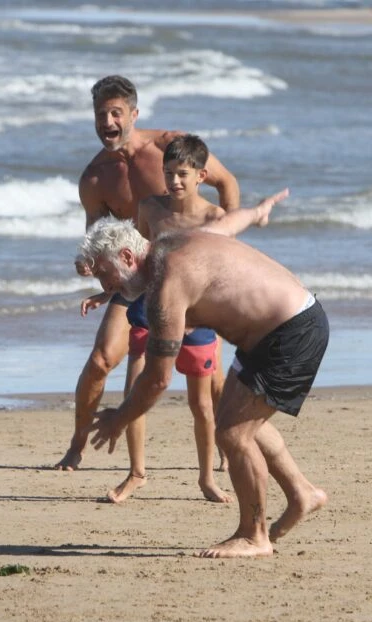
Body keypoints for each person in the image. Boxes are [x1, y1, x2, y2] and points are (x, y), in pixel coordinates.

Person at [79, 190, 329, 559]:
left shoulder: (168, 286)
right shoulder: (172, 242)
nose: (105, 286)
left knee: (232, 432)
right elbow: (227, 224)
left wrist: (120, 418)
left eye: (104, 274)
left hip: (290, 332)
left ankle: (253, 535)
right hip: (276, 329)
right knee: (240, 419)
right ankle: (302, 493)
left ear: (128, 256)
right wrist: (257, 212)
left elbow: (158, 379)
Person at [56, 75, 239, 471]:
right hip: (138, 279)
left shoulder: (169, 148)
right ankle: (77, 443)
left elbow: (227, 184)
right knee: (102, 360)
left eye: (115, 112)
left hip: (191, 280)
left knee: (211, 380)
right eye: (100, 114)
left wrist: (226, 251)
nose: (107, 121)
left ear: (134, 115)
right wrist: (91, 265)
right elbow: (99, 238)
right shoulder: (94, 178)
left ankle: (228, 446)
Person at [88, 134, 233, 504]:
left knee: (200, 404)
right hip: (151, 309)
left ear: (202, 176)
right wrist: (110, 291)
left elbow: (224, 271)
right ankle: (136, 474)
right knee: (135, 389)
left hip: (196, 318)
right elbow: (138, 260)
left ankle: (207, 479)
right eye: (169, 173)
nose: (175, 181)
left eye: (183, 174)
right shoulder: (151, 209)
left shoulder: (214, 217)